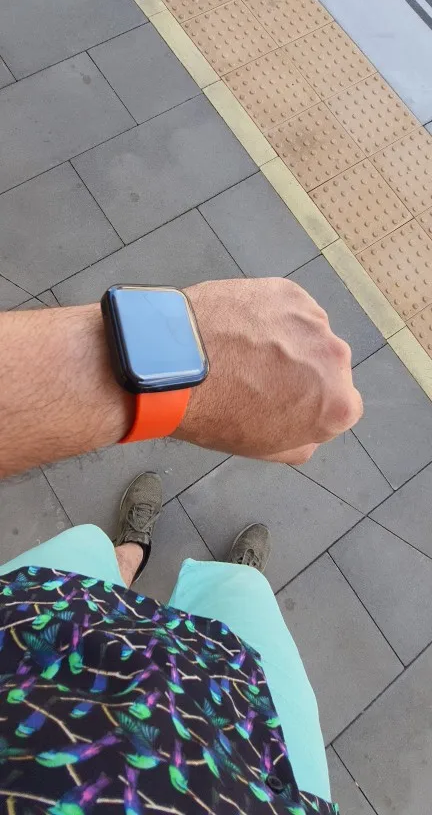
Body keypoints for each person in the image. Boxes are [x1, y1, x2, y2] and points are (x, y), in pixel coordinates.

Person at [0, 278, 362, 814]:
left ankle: (126, 560)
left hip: (28, 638)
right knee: (245, 592)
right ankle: (219, 577)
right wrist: (180, 369)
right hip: (259, 767)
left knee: (87, 546)